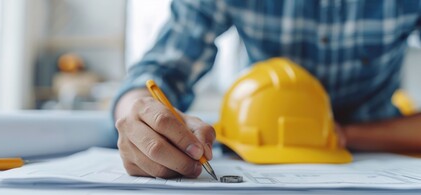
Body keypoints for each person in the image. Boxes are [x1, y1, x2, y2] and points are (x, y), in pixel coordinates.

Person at [113, 0, 421, 179]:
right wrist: (139, 116)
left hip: (379, 149)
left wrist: (347, 135)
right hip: (258, 153)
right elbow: (160, 70)